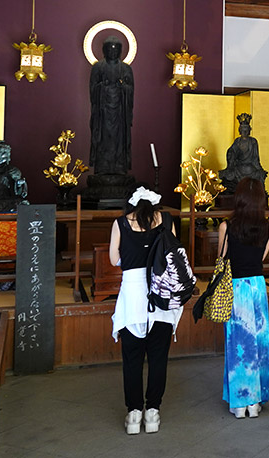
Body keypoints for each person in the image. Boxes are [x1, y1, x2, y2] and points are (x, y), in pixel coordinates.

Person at [110, 185, 180, 435]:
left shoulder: (121, 223)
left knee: (132, 358)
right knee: (158, 357)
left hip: (132, 296)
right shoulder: (167, 220)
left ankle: (133, 413)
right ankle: (152, 412)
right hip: (161, 294)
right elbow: (175, 256)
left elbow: (113, 259)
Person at [217, 177, 269, 419]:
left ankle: (240, 402)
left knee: (238, 344)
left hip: (235, 287)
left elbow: (222, 259)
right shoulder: (267, 226)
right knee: (258, 343)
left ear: (238, 198)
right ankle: (255, 401)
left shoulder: (226, 226)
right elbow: (261, 258)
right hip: (257, 286)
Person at [89, 36, 135, 176]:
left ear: (120, 51)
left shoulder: (126, 68)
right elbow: (92, 89)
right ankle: (102, 166)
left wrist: (123, 87)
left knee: (119, 139)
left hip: (120, 112)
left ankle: (119, 166)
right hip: (103, 112)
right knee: (103, 138)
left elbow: (131, 89)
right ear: (104, 50)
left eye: (116, 50)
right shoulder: (98, 67)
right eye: (109, 49)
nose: (112, 52)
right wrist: (102, 86)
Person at [218, 113, 268, 193]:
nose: (244, 131)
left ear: (249, 130)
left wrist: (260, 169)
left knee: (259, 174)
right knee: (227, 175)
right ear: (240, 130)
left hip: (249, 168)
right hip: (238, 167)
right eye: (242, 129)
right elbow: (231, 152)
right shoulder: (237, 141)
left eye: (246, 129)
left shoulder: (253, 142)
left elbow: (255, 159)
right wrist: (231, 153)